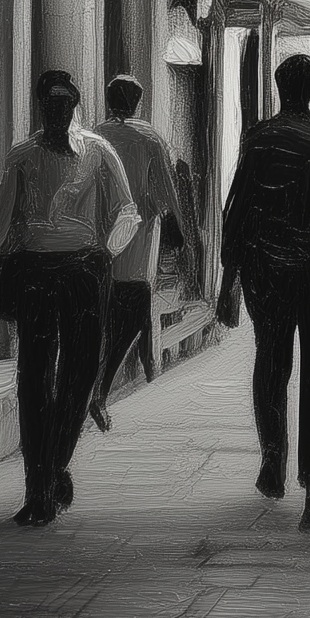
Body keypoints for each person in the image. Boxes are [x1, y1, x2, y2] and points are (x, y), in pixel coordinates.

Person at [0, 68, 139, 527]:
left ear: (74, 106)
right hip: (36, 272)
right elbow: (0, 216)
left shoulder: (98, 151)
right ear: (42, 108)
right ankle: (38, 489)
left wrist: (105, 252)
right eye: (50, 106)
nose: (58, 113)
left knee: (79, 374)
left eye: (65, 105)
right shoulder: (23, 157)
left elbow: (127, 210)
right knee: (35, 377)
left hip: (84, 272)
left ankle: (56, 464)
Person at [217, 53, 310, 530]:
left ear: (279, 88)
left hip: (266, 270)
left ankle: (272, 454)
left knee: (270, 360)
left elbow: (237, 208)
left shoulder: (258, 139)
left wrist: (228, 279)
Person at [89, 74, 192, 432]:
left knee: (103, 317)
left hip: (99, 243)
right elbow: (166, 190)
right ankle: (100, 390)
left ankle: (97, 388)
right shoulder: (149, 138)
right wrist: (179, 231)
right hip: (136, 246)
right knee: (131, 315)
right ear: (137, 102)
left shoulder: (95, 135)